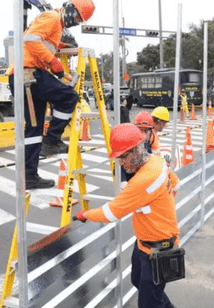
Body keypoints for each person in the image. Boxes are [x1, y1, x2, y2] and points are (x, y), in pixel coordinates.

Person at [73, 123, 180, 308]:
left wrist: (85, 214)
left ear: (138, 149)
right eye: (118, 158)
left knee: (149, 302)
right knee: (138, 281)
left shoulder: (142, 180)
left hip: (158, 249)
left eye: (123, 157)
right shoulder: (157, 161)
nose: (121, 163)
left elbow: (111, 212)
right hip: (144, 244)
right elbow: (176, 184)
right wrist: (160, 202)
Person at [6, 0, 95, 189]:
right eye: (79, 17)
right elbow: (31, 40)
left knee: (33, 130)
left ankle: (29, 176)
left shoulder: (56, 25)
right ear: (71, 9)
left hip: (24, 77)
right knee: (69, 97)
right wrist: (54, 62)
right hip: (29, 73)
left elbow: (39, 41)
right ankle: (53, 139)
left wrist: (58, 46)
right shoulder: (52, 17)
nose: (77, 22)